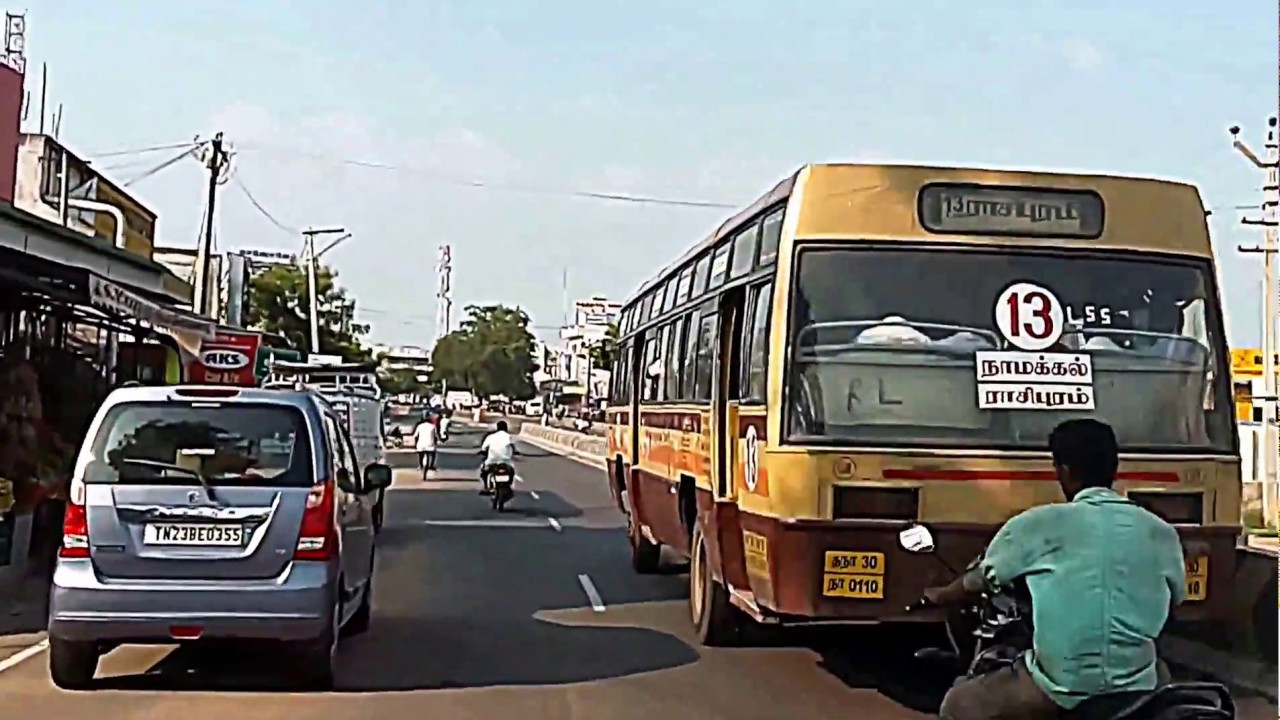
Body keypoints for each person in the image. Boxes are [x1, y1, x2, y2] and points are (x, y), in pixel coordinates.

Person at [929, 418, 1186, 720]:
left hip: (1059, 687)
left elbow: (981, 578)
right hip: (1137, 685)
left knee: (958, 704)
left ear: (1063, 470)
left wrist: (940, 595)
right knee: (1161, 673)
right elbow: (1176, 596)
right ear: (1113, 468)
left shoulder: (1038, 524)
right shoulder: (1160, 531)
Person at [478, 420, 516, 494]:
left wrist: (483, 452)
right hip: (506, 461)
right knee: (512, 471)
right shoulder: (509, 437)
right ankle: (509, 486)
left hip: (492, 460)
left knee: (484, 471)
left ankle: (486, 487)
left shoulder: (491, 437)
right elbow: (513, 447)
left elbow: (483, 448)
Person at [412, 413, 440, 478]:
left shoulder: (419, 426)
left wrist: (415, 445)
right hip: (430, 445)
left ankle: (420, 465)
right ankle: (431, 465)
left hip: (421, 445)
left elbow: (415, 436)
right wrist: (435, 442)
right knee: (433, 454)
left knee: (420, 455)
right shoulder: (433, 426)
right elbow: (436, 436)